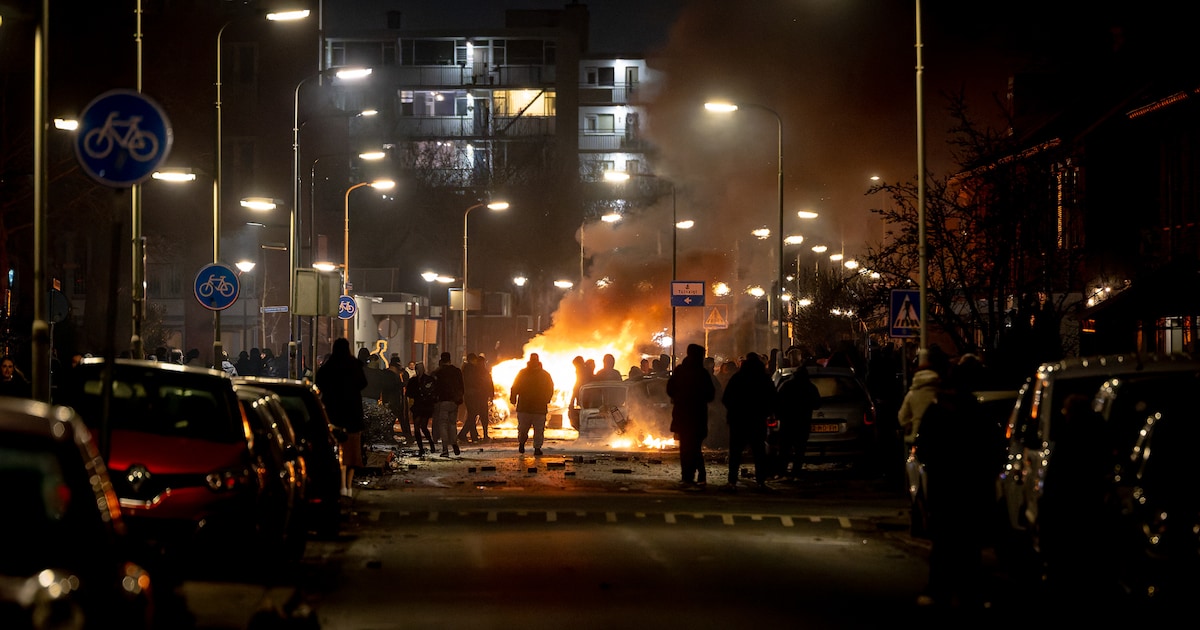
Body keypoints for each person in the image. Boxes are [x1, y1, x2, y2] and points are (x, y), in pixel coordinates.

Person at [912, 363, 1000, 609]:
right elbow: (992, 451)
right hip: (972, 489)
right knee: (968, 544)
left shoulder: (936, 412)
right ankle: (970, 591)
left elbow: (925, 449)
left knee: (944, 541)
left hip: (946, 487)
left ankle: (939, 589)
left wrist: (934, 470)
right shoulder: (978, 413)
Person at [315, 338, 368, 497]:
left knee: (338, 451)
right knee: (352, 454)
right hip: (352, 415)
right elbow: (363, 384)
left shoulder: (328, 367)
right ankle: (349, 487)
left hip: (333, 415)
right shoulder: (354, 365)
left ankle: (340, 485)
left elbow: (319, 384)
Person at [720, 352, 776, 492]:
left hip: (738, 420)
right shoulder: (764, 379)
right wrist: (766, 412)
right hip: (757, 420)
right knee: (759, 452)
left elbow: (726, 398)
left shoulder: (738, 378)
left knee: (736, 452)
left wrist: (734, 411)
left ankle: (732, 481)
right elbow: (773, 399)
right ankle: (760, 482)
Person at [666, 343, 715, 490]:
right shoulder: (702, 373)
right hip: (696, 417)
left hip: (683, 416)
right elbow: (710, 394)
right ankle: (696, 476)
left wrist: (679, 398)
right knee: (694, 448)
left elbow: (670, 389)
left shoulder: (680, 371)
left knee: (687, 448)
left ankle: (688, 477)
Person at [774, 359, 821, 480]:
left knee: (785, 449)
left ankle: (781, 471)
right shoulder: (810, 387)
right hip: (803, 422)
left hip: (788, 422)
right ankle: (796, 471)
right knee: (799, 450)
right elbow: (817, 404)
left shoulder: (787, 386)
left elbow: (777, 402)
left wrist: (779, 415)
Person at [897, 345, 949, 448]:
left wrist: (909, 426)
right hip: (941, 439)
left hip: (917, 439)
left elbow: (902, 416)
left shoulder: (913, 393)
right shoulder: (942, 391)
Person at [509, 352, 554, 456]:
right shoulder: (523, 373)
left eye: (535, 360)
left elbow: (550, 389)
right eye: (532, 359)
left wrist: (546, 399)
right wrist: (513, 398)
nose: (534, 362)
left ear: (538, 361)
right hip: (526, 407)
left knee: (538, 430)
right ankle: (521, 443)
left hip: (538, 408)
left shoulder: (544, 375)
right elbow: (515, 386)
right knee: (523, 429)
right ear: (530, 360)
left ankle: (537, 448)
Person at [431, 352, 464, 457]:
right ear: (450, 359)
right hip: (454, 402)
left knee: (443, 424)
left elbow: (434, 386)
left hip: (443, 401)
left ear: (441, 360)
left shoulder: (439, 372)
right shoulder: (457, 371)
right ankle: (454, 442)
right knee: (452, 424)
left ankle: (445, 449)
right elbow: (461, 386)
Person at [459, 353, 494, 443]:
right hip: (476, 396)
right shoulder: (473, 370)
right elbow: (486, 383)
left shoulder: (472, 370)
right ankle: (464, 434)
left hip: (477, 396)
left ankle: (473, 435)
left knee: (474, 416)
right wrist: (490, 394)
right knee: (474, 416)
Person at [406, 362, 437, 455]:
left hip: (425, 406)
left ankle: (429, 444)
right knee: (418, 427)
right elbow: (409, 393)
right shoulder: (415, 381)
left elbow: (433, 391)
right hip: (419, 405)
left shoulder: (428, 380)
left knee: (422, 426)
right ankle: (422, 447)